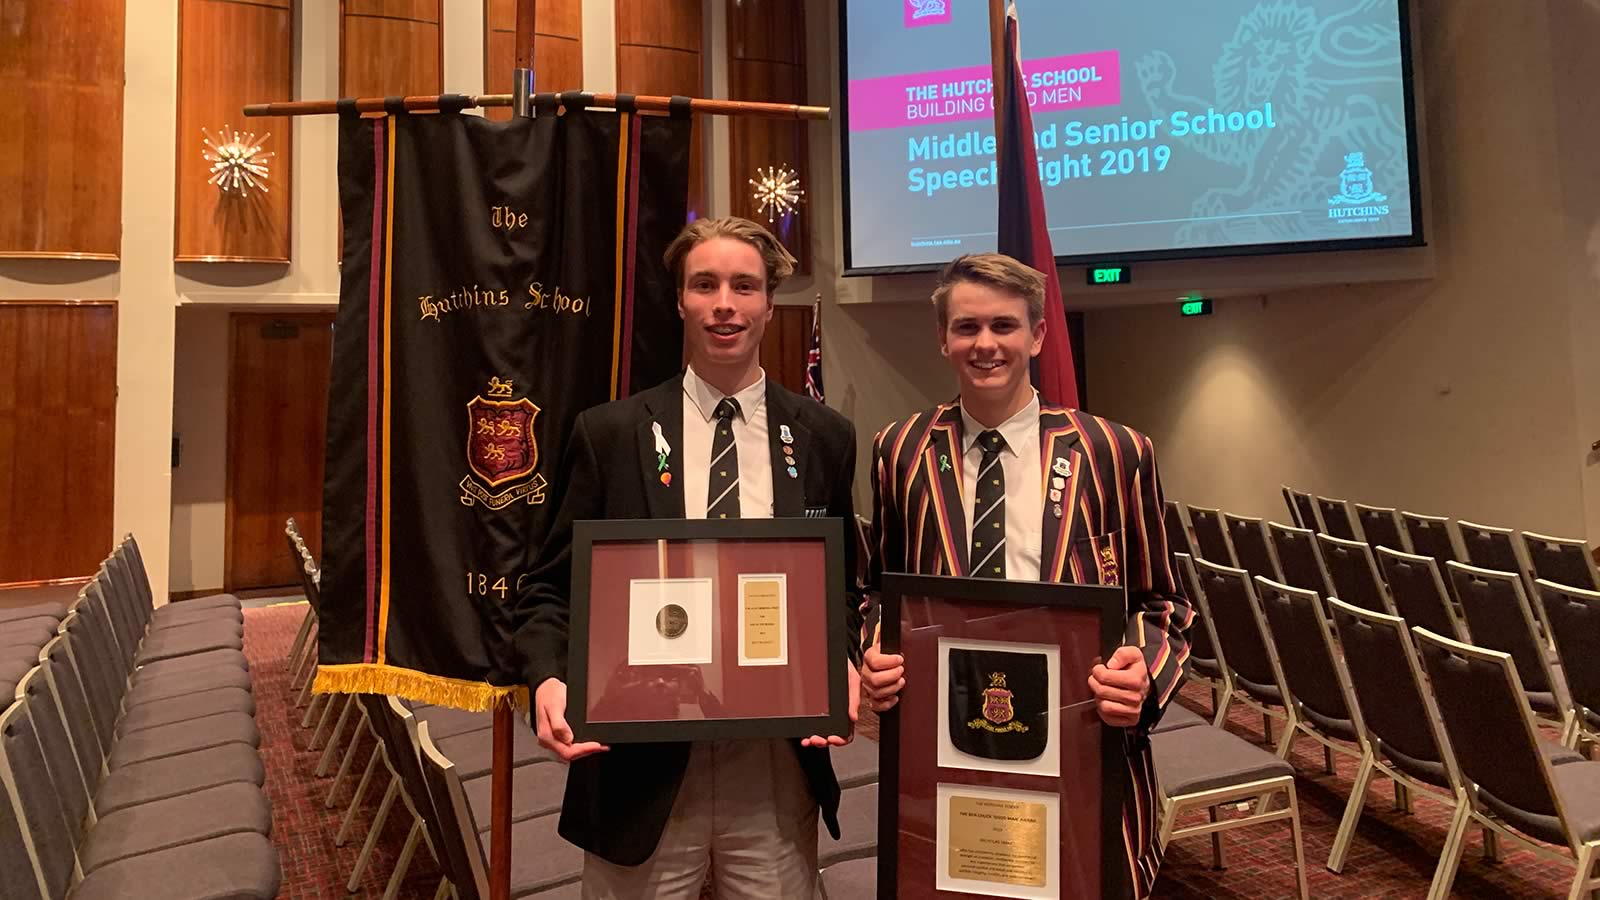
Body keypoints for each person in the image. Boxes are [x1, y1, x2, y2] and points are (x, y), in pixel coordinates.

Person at [509, 216, 864, 898]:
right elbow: (548, 590)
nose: (724, 303)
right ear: (680, 300)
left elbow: (838, 589)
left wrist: (840, 659)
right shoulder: (608, 434)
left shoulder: (823, 437)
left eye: (744, 286)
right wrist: (549, 680)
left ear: (768, 302)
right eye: (705, 284)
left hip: (773, 763)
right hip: (637, 758)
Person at [858, 253, 1191, 898]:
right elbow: (879, 591)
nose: (986, 344)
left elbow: (1164, 603)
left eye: (1005, 326)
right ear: (944, 338)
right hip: (945, 744)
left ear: (1037, 335)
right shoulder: (898, 450)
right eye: (967, 327)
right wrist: (876, 647)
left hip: (1081, 737)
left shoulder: (1114, 451)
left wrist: (1144, 673)